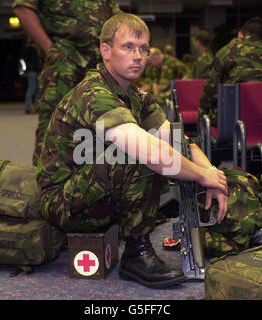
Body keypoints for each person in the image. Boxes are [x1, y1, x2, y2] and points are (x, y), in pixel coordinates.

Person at [36, 13, 229, 289]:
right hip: (63, 203)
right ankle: (136, 253)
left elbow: (179, 140)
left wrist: (212, 173)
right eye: (128, 47)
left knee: (166, 152)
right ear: (106, 51)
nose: (138, 56)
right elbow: (150, 153)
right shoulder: (94, 93)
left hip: (97, 191)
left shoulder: (137, 97)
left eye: (143, 49)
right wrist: (201, 176)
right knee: (136, 152)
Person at [12, 0, 120, 165]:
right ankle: (44, 182)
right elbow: (23, 8)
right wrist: (51, 50)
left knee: (98, 121)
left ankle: (87, 180)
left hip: (99, 63)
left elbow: (117, 20)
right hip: (64, 61)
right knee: (55, 122)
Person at [199, 17, 262, 127]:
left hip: (233, 120)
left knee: (203, 113)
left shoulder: (227, 51)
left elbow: (210, 92)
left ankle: (194, 143)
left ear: (240, 34)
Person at [22, 38, 42, 114]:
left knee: (38, 89)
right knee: (31, 88)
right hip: (32, 71)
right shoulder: (28, 49)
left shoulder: (38, 50)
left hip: (38, 70)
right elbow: (25, 57)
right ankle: (28, 107)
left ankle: (36, 107)